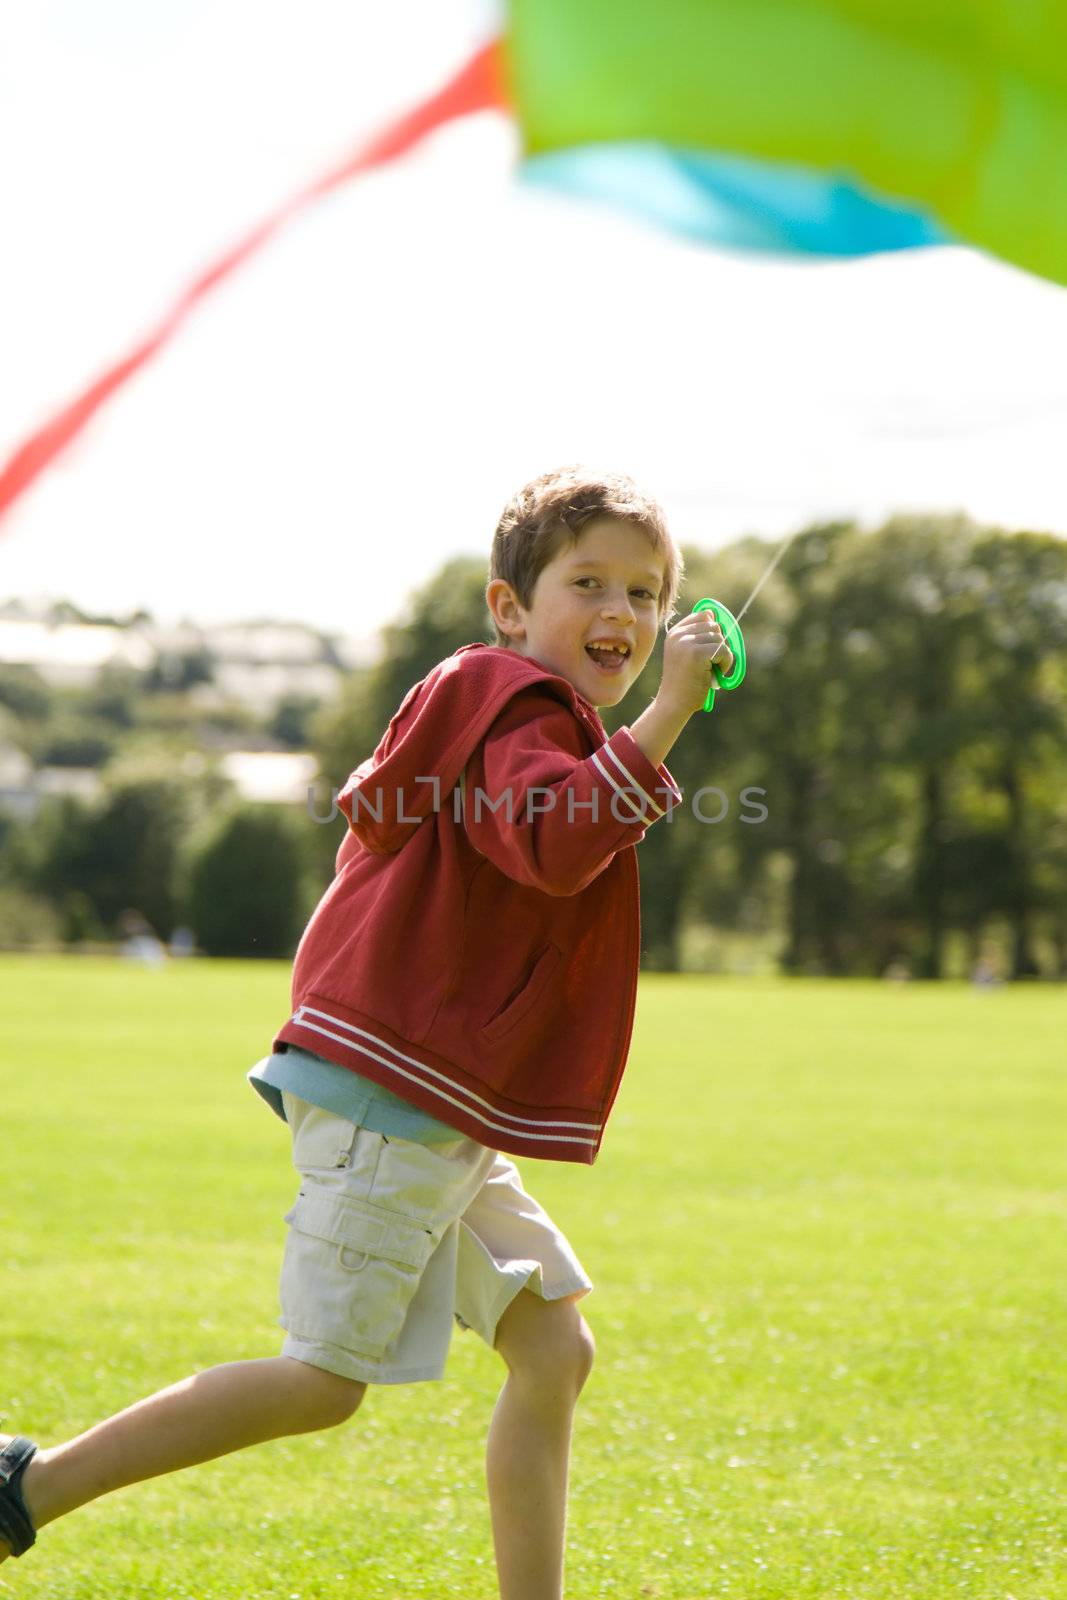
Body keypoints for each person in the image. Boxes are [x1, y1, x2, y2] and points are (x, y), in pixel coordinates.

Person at [0, 465, 734, 1598]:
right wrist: (670, 709)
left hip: (433, 1105)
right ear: (508, 607)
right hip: (393, 1103)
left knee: (553, 1348)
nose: (623, 615)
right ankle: (24, 1489)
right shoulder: (510, 703)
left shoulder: (526, 715)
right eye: (587, 582)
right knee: (321, 1382)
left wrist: (636, 728)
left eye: (645, 595)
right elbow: (551, 839)